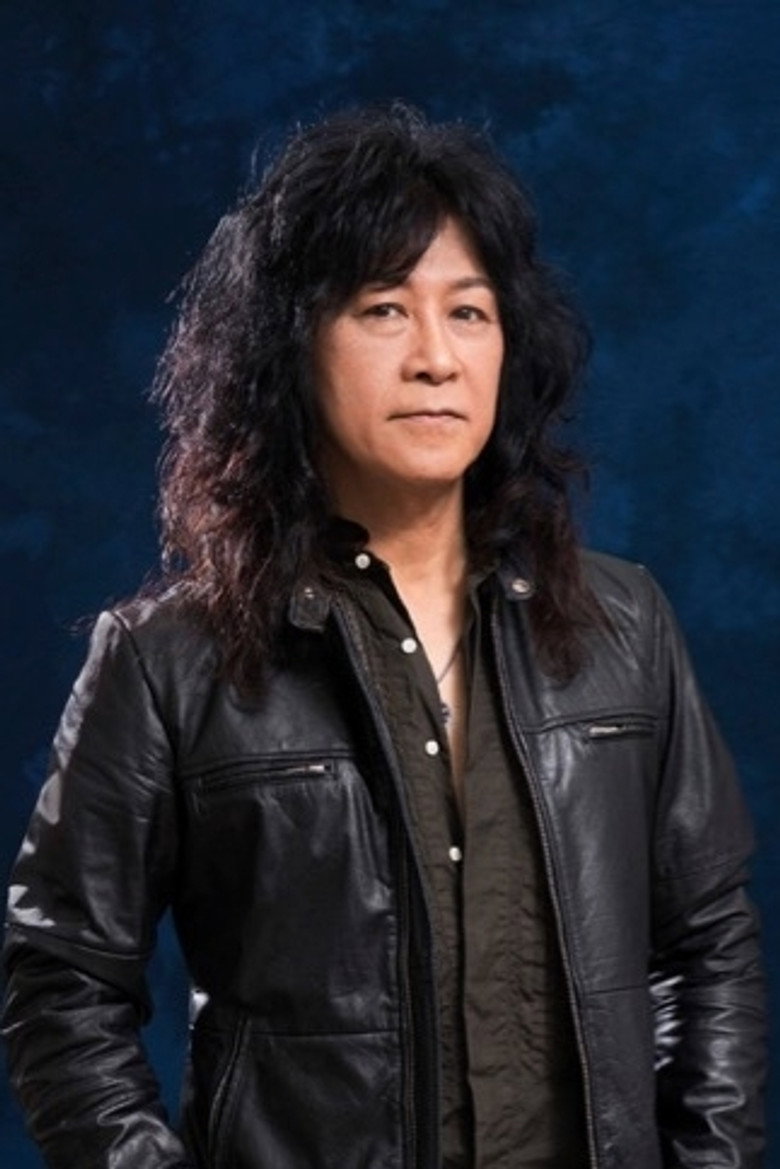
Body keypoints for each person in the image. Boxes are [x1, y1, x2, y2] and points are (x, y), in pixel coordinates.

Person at [2, 103, 766, 1169]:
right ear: (290, 346)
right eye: (383, 309)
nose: (435, 358)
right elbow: (62, 982)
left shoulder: (623, 622)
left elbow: (708, 942)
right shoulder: (166, 658)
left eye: (470, 311)